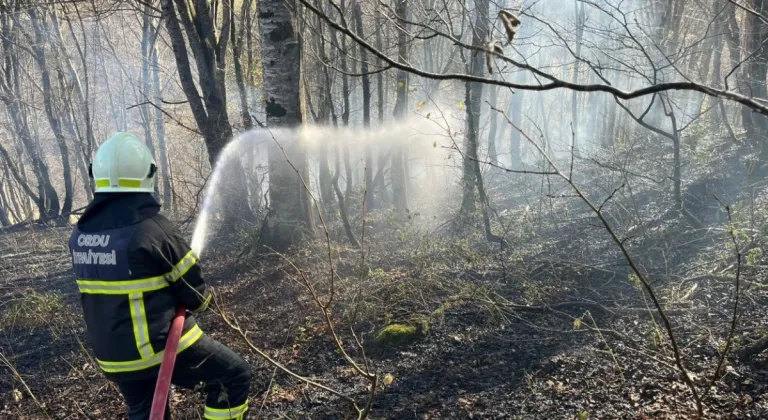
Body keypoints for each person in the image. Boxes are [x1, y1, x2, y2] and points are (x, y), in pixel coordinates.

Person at [68, 132, 251, 419]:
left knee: (147, 412)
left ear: (97, 175)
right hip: (158, 348)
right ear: (148, 174)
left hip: (114, 355)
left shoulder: (81, 235)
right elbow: (196, 294)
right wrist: (206, 300)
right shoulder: (152, 229)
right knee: (233, 375)